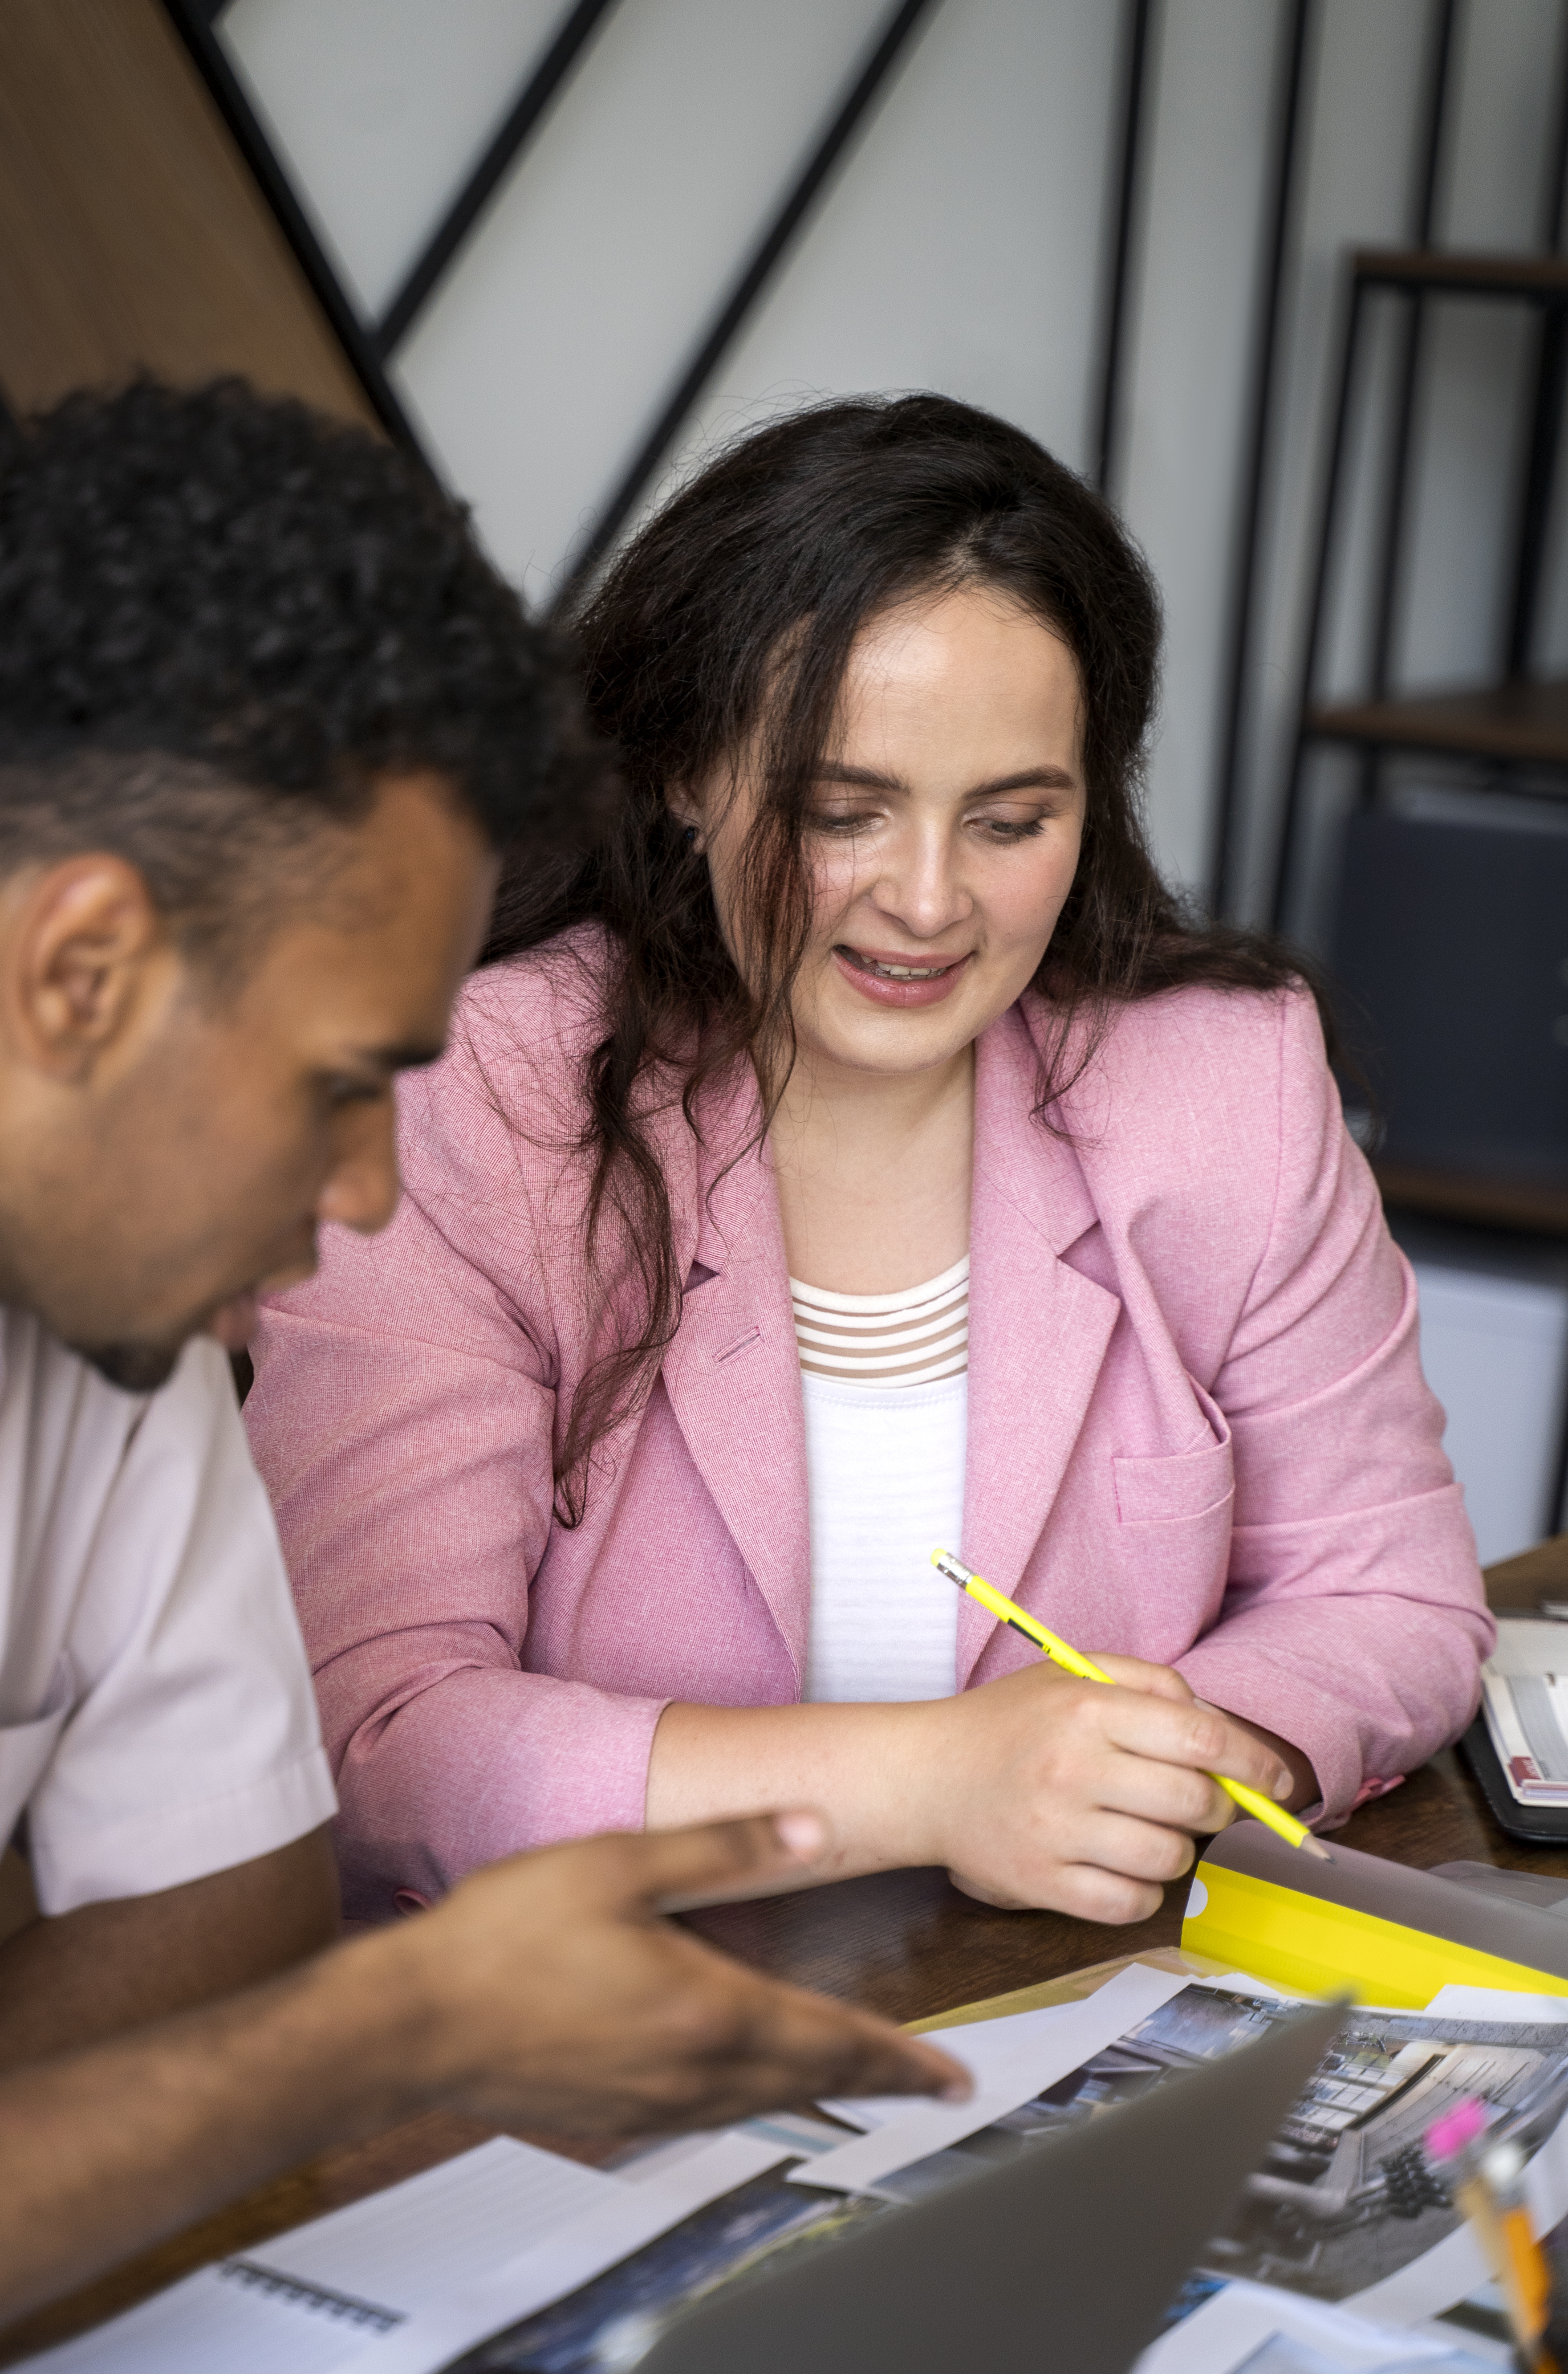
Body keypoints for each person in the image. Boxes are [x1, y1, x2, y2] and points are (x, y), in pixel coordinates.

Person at [0, 380, 961, 2374]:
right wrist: (385, 2032)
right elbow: (268, 2018)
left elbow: (219, 1917)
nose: (361, 1197)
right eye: (340, 1087)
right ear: (79, 974)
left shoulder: (117, 1301)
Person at [248, 394, 1493, 1932]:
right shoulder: (480, 1100)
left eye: (1011, 820)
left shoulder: (1221, 1084)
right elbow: (382, 1739)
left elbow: (1395, 1597)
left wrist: (1145, 1767)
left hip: (1048, 1999)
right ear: (685, 769)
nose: (925, 903)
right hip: (579, 2035)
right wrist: (928, 1787)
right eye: (843, 812)